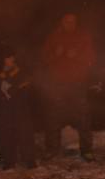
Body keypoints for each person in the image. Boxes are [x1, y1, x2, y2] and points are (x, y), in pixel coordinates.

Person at [40, 12, 95, 160]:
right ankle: (52, 149)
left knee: (83, 116)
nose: (70, 24)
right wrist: (56, 55)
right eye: (67, 22)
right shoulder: (54, 37)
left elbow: (90, 58)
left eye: (73, 22)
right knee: (53, 117)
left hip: (78, 83)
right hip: (57, 83)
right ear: (61, 22)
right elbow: (44, 59)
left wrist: (77, 56)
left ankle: (87, 150)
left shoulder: (83, 36)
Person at [0, 43, 37, 169]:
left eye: (12, 56)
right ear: (3, 59)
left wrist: (15, 90)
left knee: (25, 133)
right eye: (8, 57)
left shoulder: (20, 71)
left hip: (20, 108)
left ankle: (29, 159)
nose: (12, 59)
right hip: (5, 109)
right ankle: (9, 161)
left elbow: (28, 85)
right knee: (6, 134)